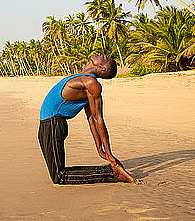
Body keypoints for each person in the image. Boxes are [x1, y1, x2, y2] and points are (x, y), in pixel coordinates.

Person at [38, 54, 135, 184]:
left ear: (102, 68)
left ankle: (112, 174)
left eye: (105, 58)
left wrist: (107, 151)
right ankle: (111, 171)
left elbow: (97, 118)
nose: (102, 55)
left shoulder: (91, 83)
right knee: (57, 171)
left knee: (59, 176)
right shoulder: (81, 77)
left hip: (53, 124)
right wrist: (99, 149)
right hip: (47, 124)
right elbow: (90, 118)